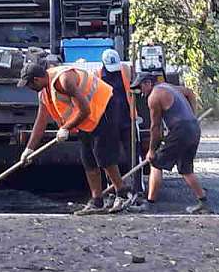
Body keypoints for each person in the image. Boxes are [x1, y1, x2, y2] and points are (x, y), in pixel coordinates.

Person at [17, 61, 130, 215]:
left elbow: (85, 109)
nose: (29, 89)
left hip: (104, 108)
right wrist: (29, 149)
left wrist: (65, 127)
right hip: (86, 119)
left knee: (103, 155)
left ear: (36, 80)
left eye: (28, 85)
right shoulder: (43, 93)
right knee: (88, 159)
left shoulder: (64, 80)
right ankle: (97, 201)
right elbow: (41, 121)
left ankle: (122, 193)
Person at [131, 73, 208, 214]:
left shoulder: (154, 96)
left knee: (156, 163)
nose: (141, 92)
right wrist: (193, 116)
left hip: (181, 130)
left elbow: (155, 127)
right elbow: (189, 92)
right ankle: (203, 202)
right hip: (193, 128)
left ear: (148, 83)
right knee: (186, 169)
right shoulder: (168, 87)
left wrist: (152, 150)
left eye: (140, 87)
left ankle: (150, 203)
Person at [99, 49, 139, 199]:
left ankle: (137, 189)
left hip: (127, 119)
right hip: (109, 122)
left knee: (133, 156)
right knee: (109, 157)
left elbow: (134, 87)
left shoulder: (125, 70)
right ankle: (113, 189)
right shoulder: (98, 75)